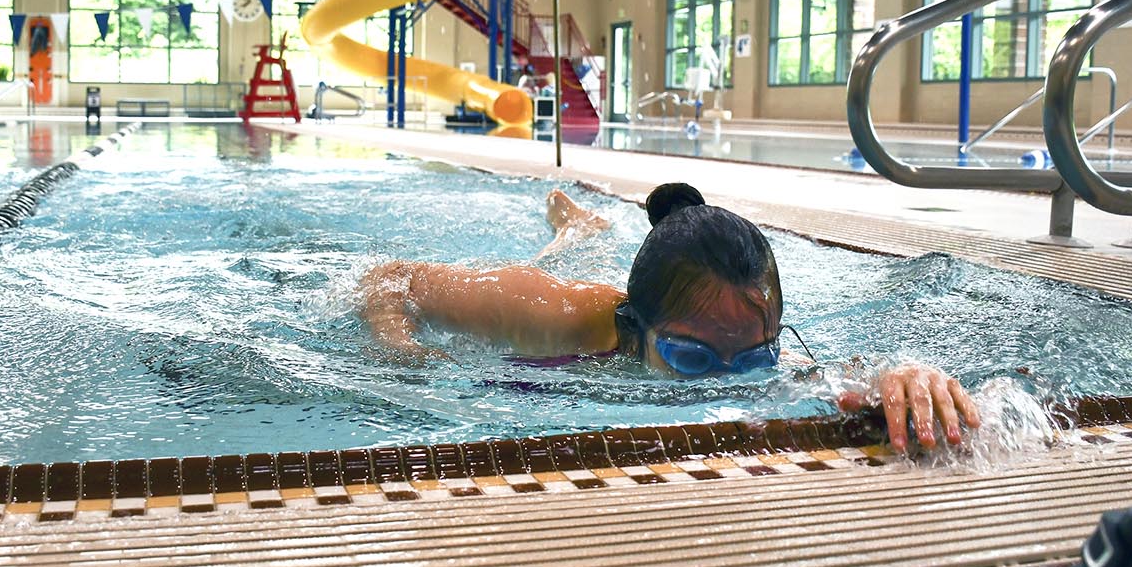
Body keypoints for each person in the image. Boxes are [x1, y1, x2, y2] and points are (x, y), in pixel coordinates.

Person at [360, 182, 980, 454]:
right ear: (639, 330)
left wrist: (908, 378)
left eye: (754, 358)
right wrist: (403, 356)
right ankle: (577, 224)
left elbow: (850, 378)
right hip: (577, 286)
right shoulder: (561, 314)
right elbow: (387, 278)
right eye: (691, 359)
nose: (724, 379)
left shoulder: (744, 344)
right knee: (572, 252)